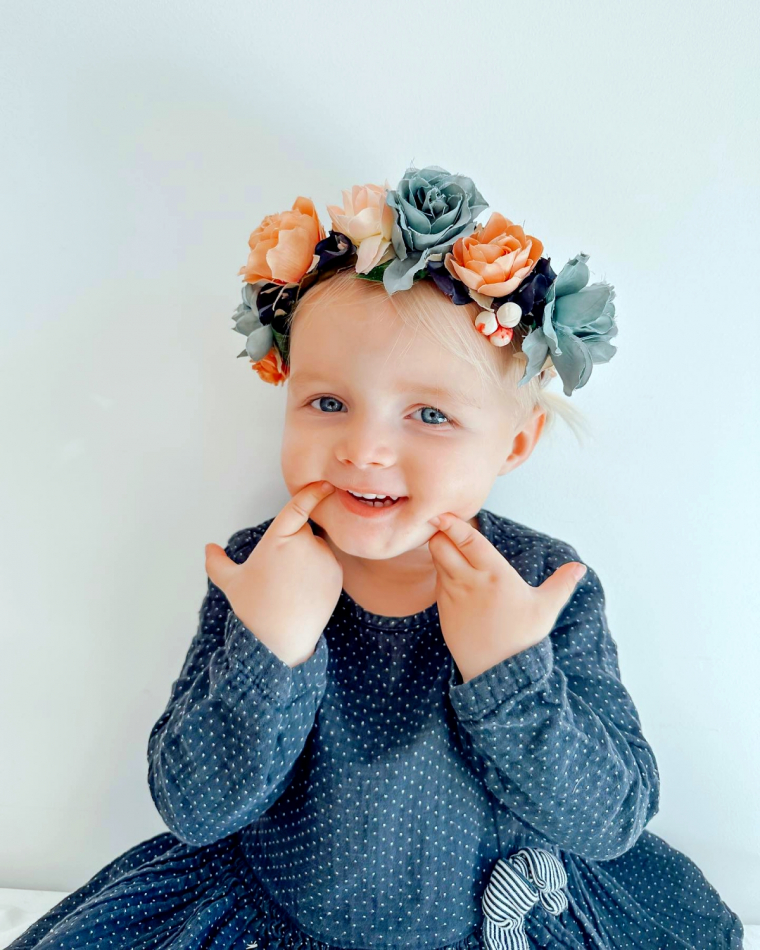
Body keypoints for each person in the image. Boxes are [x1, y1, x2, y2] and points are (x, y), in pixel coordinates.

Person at [9, 165, 744, 950]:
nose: (364, 448)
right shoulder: (261, 569)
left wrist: (508, 670)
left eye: (429, 414)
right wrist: (272, 649)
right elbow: (195, 809)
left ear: (516, 442)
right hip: (276, 917)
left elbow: (612, 821)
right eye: (329, 404)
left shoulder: (539, 584)